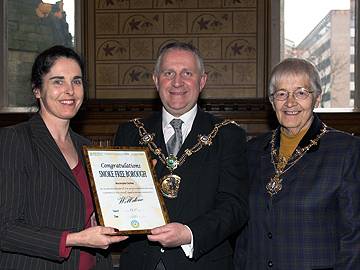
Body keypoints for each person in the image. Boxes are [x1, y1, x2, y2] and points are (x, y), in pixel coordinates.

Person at [113, 42, 249, 270]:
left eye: (187, 73)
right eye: (169, 73)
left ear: (202, 81)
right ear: (156, 80)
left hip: (203, 263)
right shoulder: (131, 132)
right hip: (140, 262)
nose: (177, 82)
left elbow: (235, 206)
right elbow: (118, 201)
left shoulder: (228, 134)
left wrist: (190, 234)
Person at [0, 45, 127, 269]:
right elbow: (6, 229)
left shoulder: (87, 148)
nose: (70, 90)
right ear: (37, 90)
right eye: (58, 81)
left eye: (76, 81)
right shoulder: (14, 140)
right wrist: (75, 239)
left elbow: (80, 211)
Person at [234, 58, 360, 269]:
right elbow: (245, 232)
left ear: (317, 98)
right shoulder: (252, 151)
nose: (290, 102)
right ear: (272, 101)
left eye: (301, 92)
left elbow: (355, 237)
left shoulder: (347, 150)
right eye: (281, 93)